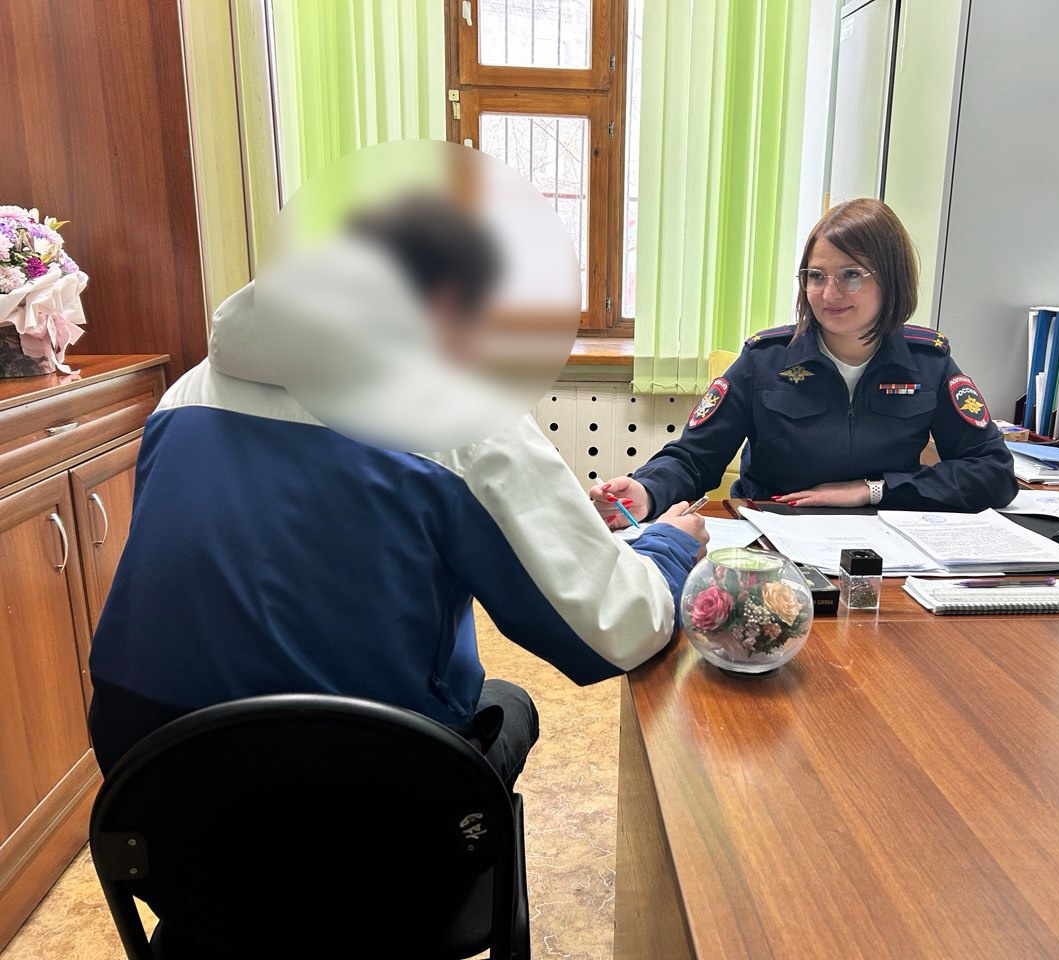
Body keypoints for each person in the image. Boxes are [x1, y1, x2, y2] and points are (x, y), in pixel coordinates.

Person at [87, 198, 707, 791]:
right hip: (364, 787)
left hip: (153, 777)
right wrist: (668, 549)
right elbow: (613, 630)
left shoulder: (183, 397)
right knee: (509, 705)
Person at [590, 198, 1017, 523]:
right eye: (816, 276)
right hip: (774, 535)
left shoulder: (928, 363)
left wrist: (870, 490)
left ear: (892, 280)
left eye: (851, 275)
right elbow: (694, 458)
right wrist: (646, 491)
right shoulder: (765, 360)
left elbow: (993, 472)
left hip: (885, 544)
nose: (829, 294)